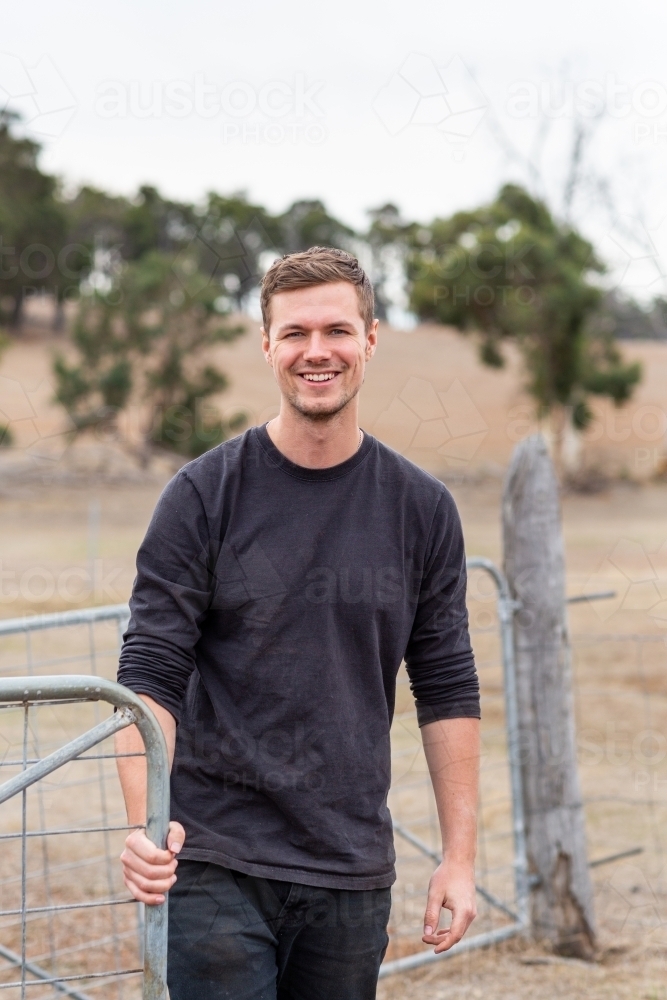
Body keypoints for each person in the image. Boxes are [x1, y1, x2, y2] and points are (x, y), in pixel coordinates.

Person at [116, 246, 481, 1000]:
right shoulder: (201, 496)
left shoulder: (420, 509)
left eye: (337, 331)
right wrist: (146, 825)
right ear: (267, 345)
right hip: (215, 859)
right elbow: (151, 673)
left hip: (349, 866)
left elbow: (445, 688)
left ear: (371, 340)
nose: (317, 351)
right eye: (294, 333)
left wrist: (458, 858)